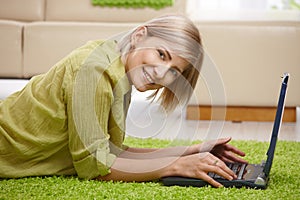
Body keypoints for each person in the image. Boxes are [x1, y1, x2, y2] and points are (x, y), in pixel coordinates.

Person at [0, 14, 247, 188]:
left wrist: (190, 152)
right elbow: (95, 169)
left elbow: (110, 153)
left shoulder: (118, 69)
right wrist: (174, 167)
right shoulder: (95, 71)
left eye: (174, 71)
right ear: (140, 35)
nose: (162, 73)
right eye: (161, 54)